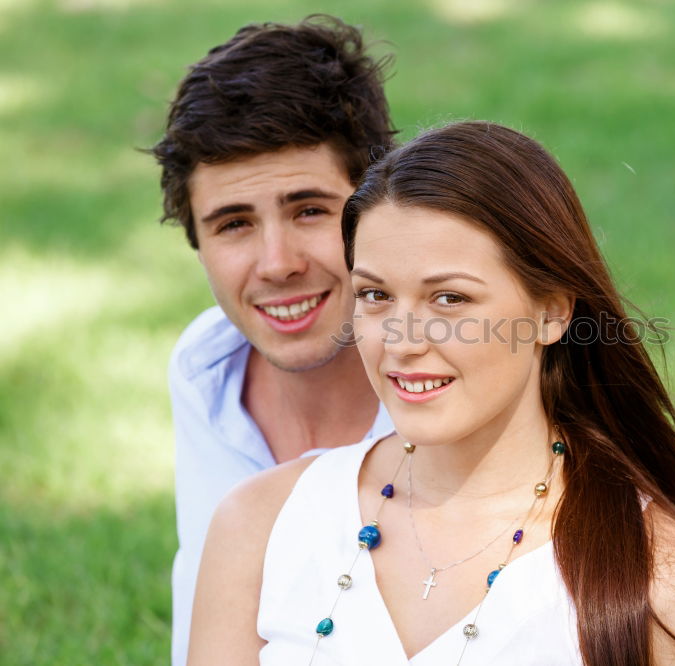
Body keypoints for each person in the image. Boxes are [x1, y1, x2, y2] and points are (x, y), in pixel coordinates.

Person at [188, 122, 675, 665]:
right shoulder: (259, 524)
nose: (402, 342)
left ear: (552, 311)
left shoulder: (657, 578)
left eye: (450, 300)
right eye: (375, 296)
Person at [149, 15, 397, 664]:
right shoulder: (205, 371)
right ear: (197, 243)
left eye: (309, 209)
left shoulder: (454, 390)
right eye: (233, 224)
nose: (277, 262)